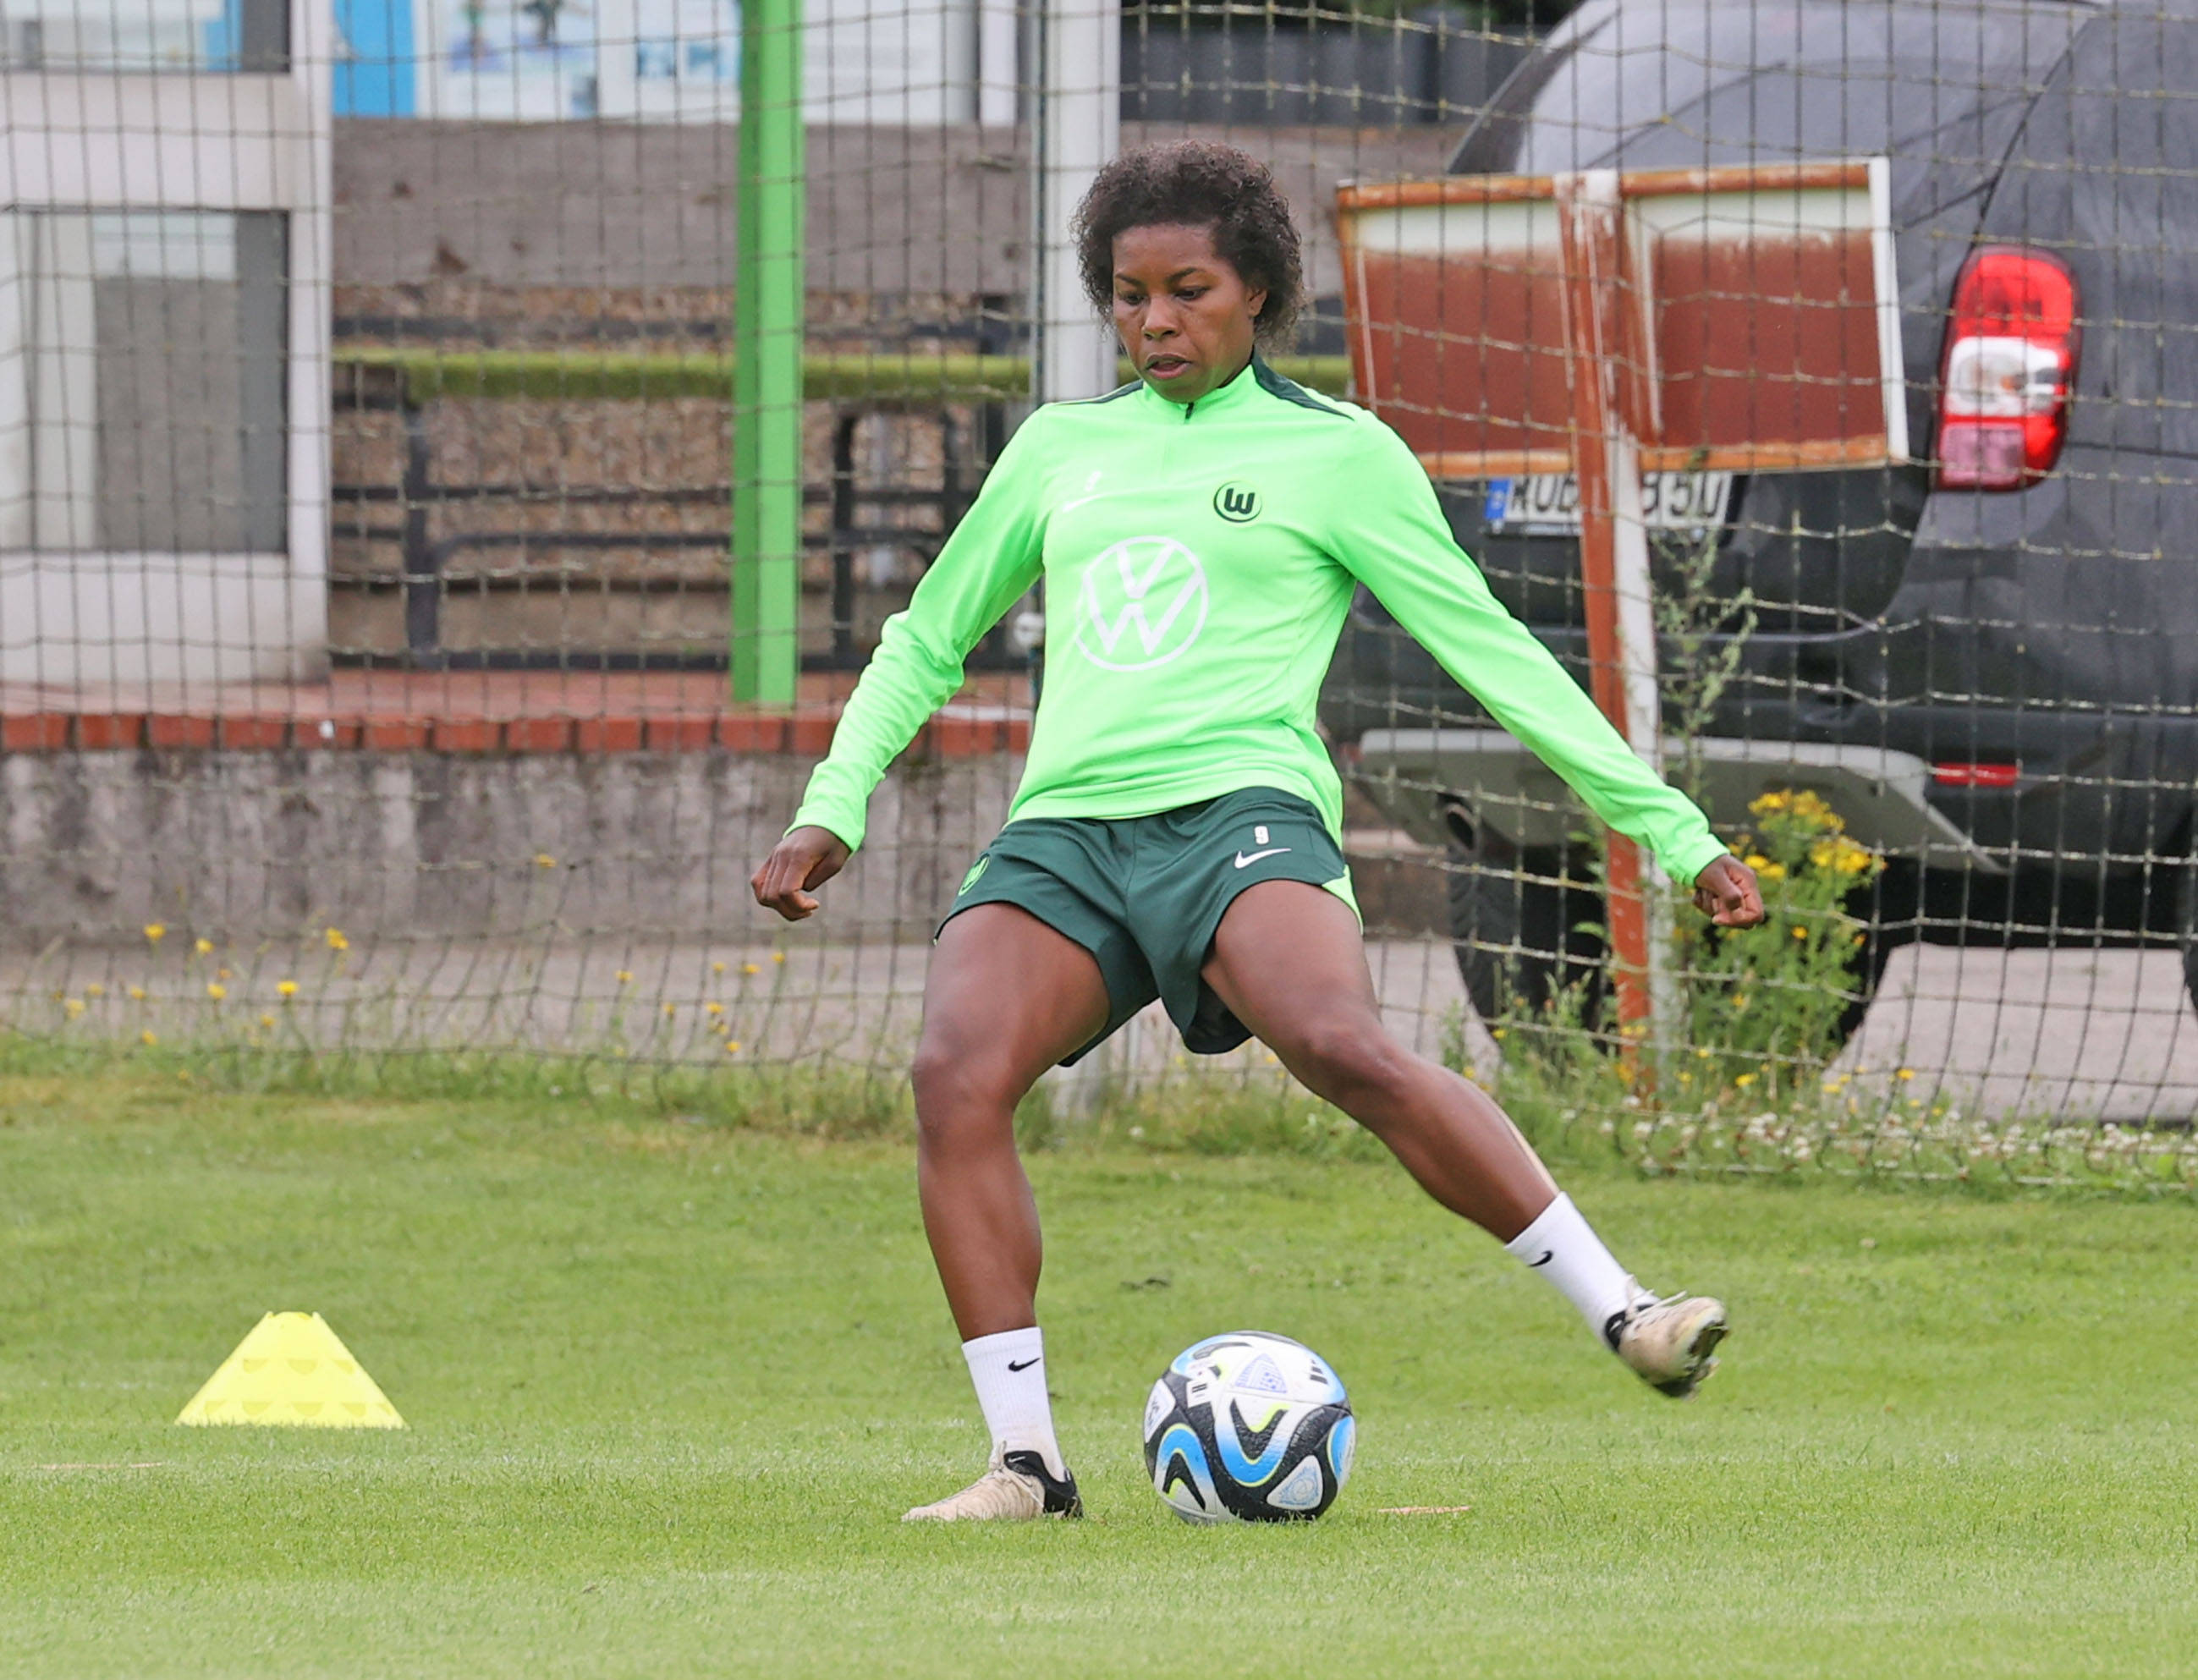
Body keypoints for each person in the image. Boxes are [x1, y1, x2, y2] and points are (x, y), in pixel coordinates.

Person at [751, 140, 1765, 1524]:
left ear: (1257, 294)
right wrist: (830, 805)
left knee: (1343, 1045)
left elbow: (1497, 654)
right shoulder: (1061, 449)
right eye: (1126, 294)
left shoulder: (1339, 455)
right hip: (1068, 835)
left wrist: (1673, 832)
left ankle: (1625, 1311)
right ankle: (1026, 1464)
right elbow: (926, 641)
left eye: (1185, 290)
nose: (1153, 320)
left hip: (1245, 814)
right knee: (951, 1072)